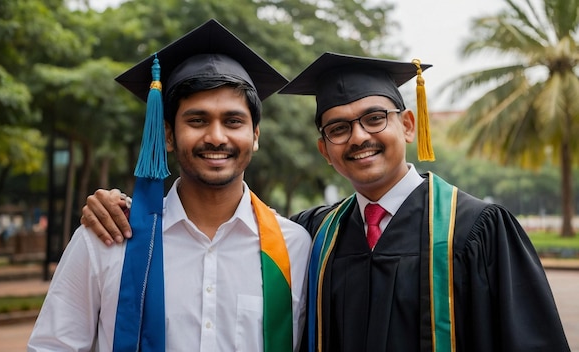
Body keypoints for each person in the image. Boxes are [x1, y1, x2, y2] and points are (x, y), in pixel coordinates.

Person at [81, 53, 571, 351]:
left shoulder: (479, 229)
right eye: (337, 127)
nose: (358, 137)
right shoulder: (312, 234)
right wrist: (118, 204)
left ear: (407, 124)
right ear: (325, 149)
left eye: (375, 118)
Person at [29, 19, 311, 352]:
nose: (216, 137)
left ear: (255, 135)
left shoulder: (295, 248)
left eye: (233, 121)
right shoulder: (109, 237)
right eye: (197, 120)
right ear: (167, 135)